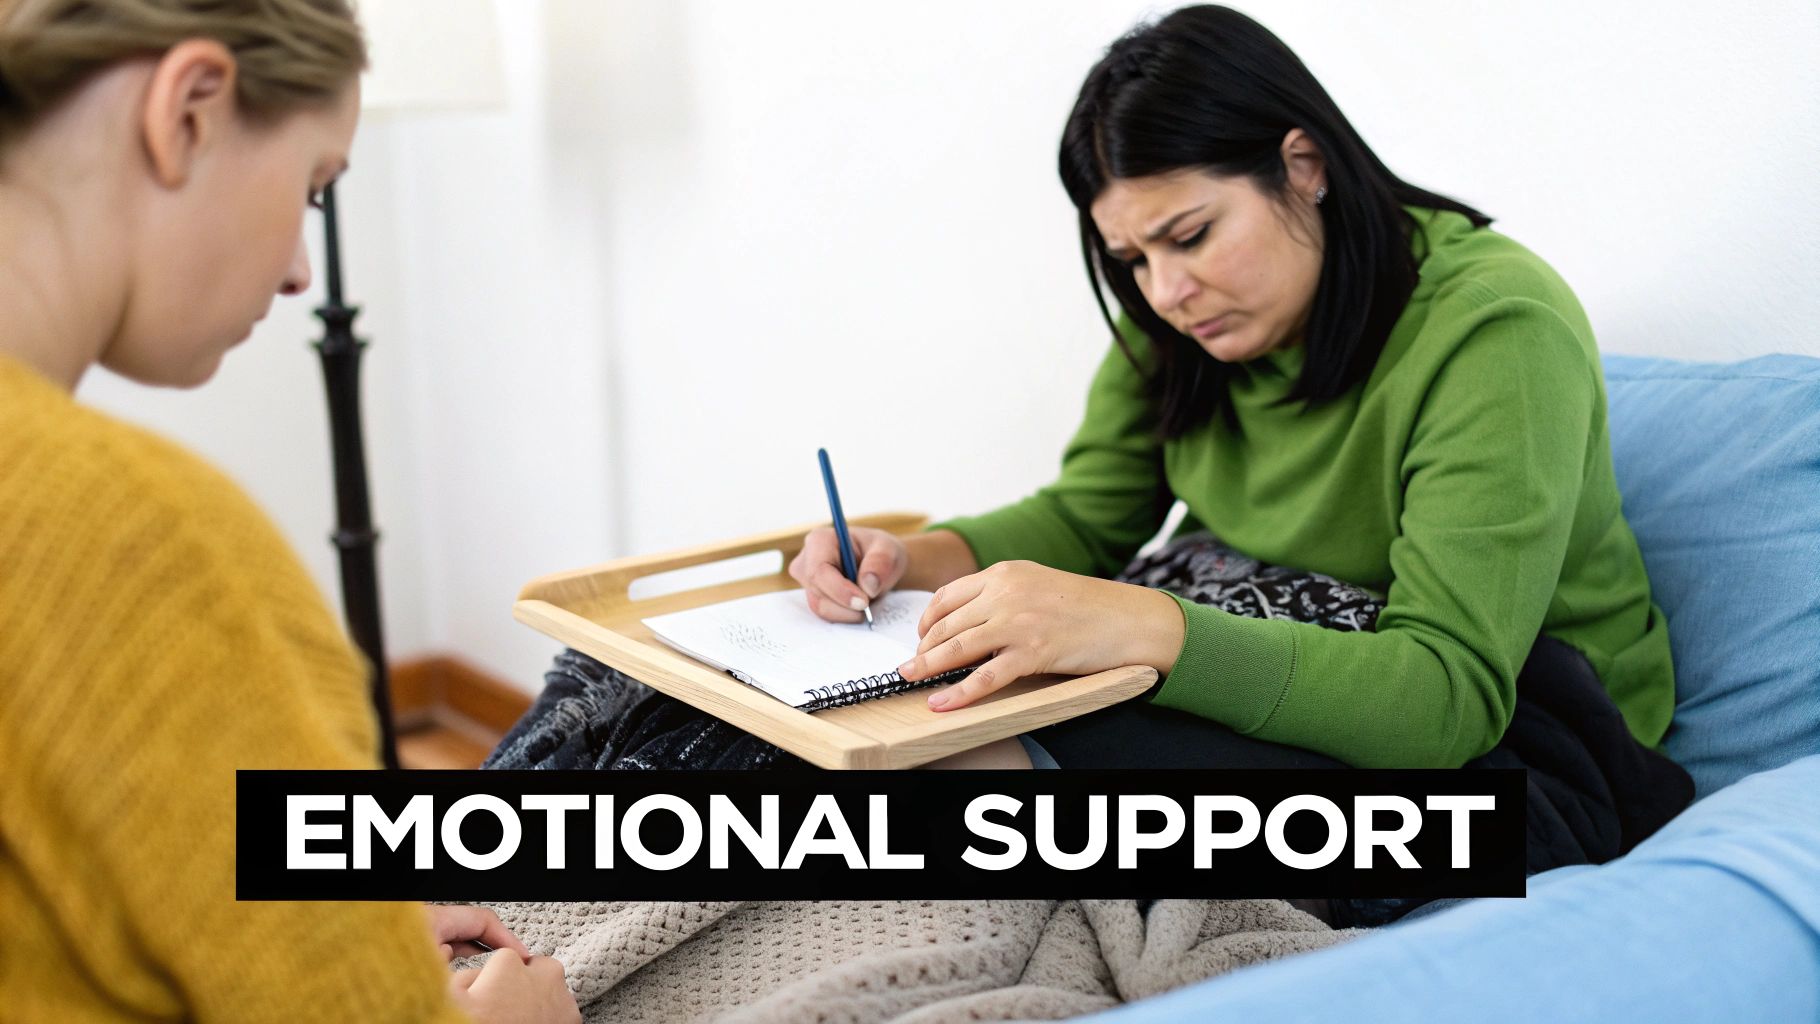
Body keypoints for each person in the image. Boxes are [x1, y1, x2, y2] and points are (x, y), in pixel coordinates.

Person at [790, 2, 1688, 804]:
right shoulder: (1184, 319)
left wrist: (1138, 626)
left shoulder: (1495, 330)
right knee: (920, 730)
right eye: (1134, 260)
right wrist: (907, 564)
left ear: (1302, 165)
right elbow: (1086, 515)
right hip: (1294, 640)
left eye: (1191, 235)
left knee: (1003, 756)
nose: (1166, 291)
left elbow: (1445, 698)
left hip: (1526, 735)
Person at [0, 1, 578, 1019]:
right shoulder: (140, 540)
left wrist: (341, 933)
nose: (301, 270)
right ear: (189, 110)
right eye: (314, 188)